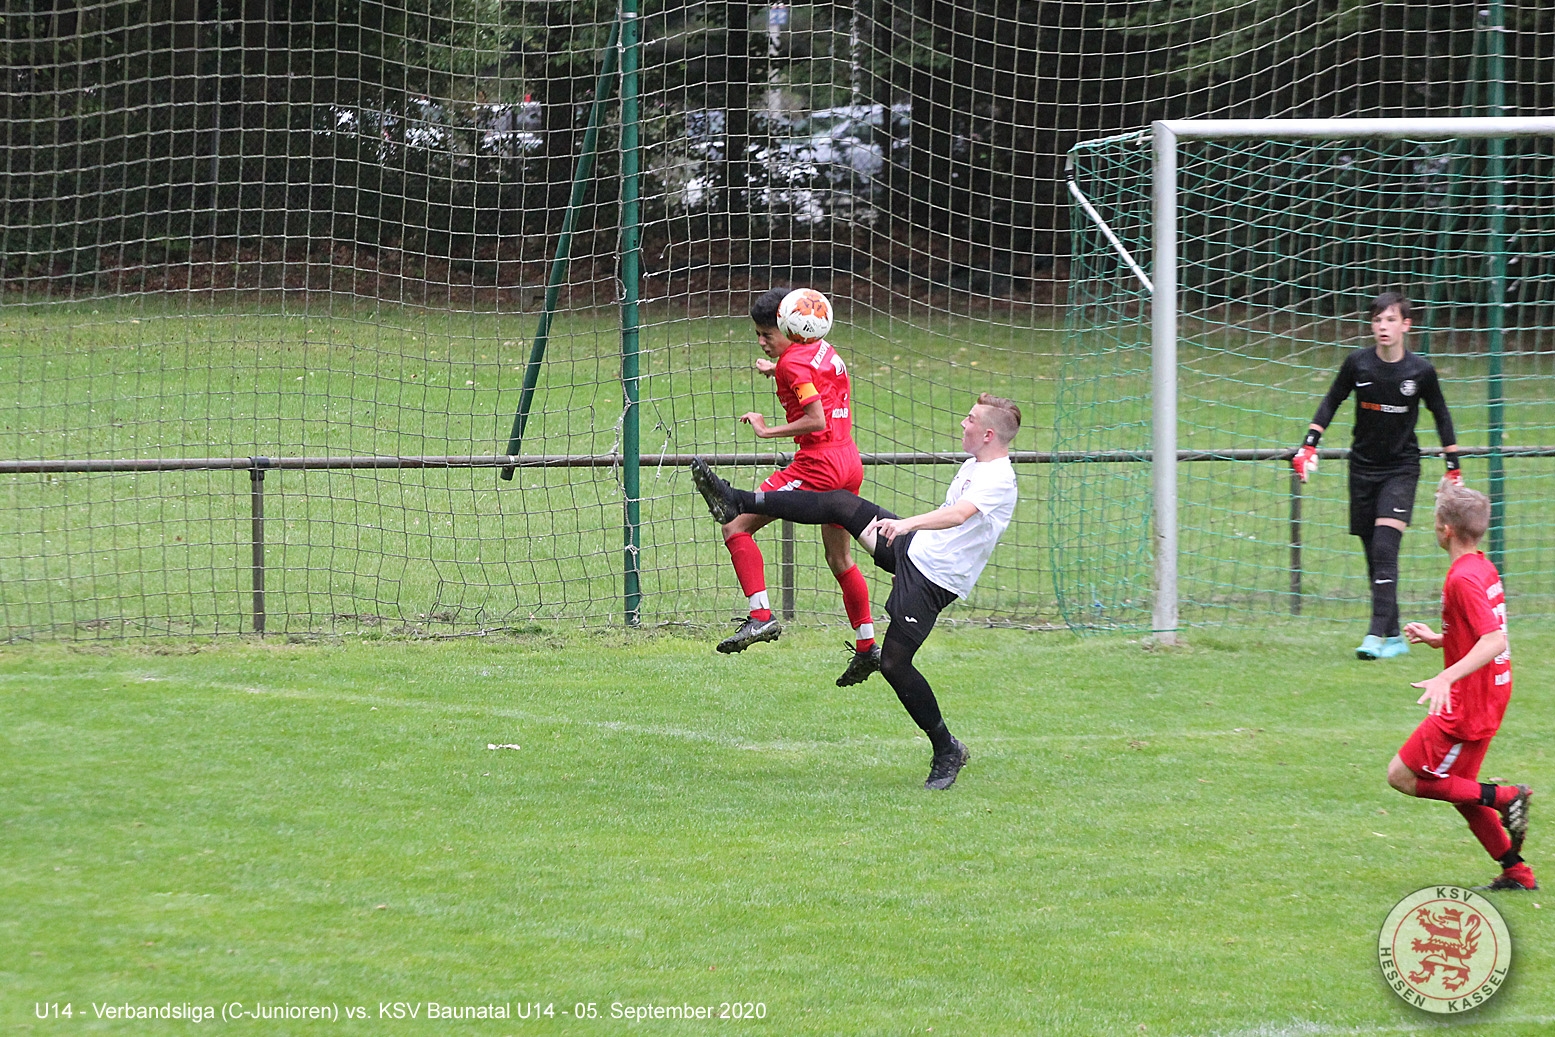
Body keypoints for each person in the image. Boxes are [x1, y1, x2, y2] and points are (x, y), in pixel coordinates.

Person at [691, 394, 1021, 791]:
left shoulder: (998, 478)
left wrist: (905, 524)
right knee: (840, 504)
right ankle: (736, 501)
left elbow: (959, 514)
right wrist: (907, 534)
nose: (963, 423)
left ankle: (947, 749)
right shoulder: (974, 464)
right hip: (914, 548)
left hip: (934, 578)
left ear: (988, 434)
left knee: (895, 664)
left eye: (970, 419)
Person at [712, 287, 879, 689]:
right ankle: (867, 644)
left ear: (789, 326)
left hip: (818, 465)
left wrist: (766, 430)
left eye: (767, 334)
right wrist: (776, 369)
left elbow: (815, 419)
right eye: (758, 335)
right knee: (840, 559)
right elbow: (812, 378)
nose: (761, 341)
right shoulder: (820, 347)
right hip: (849, 461)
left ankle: (761, 617)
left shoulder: (792, 365)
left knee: (735, 527)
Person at [1292, 292, 1461, 660]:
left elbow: (1441, 414)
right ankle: (1395, 637)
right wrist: (1308, 446)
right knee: (1374, 554)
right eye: (1377, 320)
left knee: (1385, 547)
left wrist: (1453, 465)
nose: (1383, 327)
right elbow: (1331, 400)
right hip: (1362, 468)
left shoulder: (1420, 371)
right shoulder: (1358, 364)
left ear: (1406, 325)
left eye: (1390, 320)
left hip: (1401, 469)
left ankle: (1374, 635)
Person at [1386, 481, 1534, 891]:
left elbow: (1494, 639)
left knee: (1401, 775)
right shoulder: (1481, 567)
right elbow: (1481, 628)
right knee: (1462, 791)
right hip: (1490, 692)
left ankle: (1507, 797)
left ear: (1445, 529)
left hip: (1469, 700)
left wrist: (1446, 676)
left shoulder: (1462, 578)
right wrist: (1441, 639)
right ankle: (1517, 873)